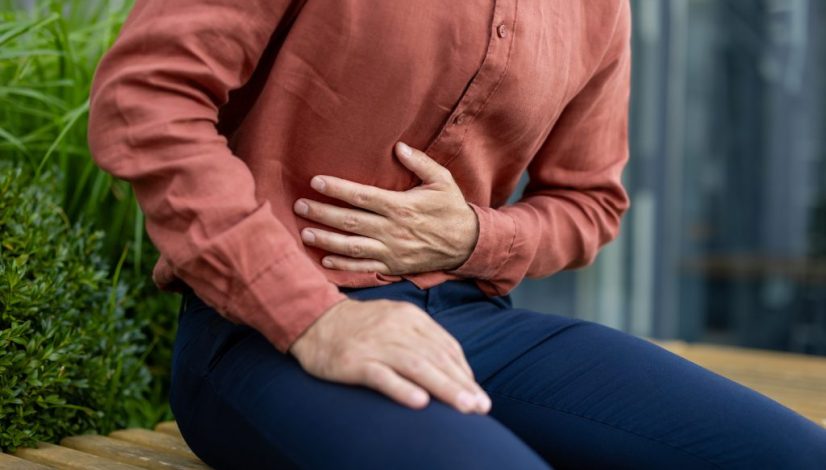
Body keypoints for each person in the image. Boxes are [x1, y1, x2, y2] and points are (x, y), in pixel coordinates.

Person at [86, 0, 826, 468]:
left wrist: (477, 237)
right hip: (266, 338)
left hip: (473, 326)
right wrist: (314, 318)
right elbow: (145, 99)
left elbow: (591, 201)